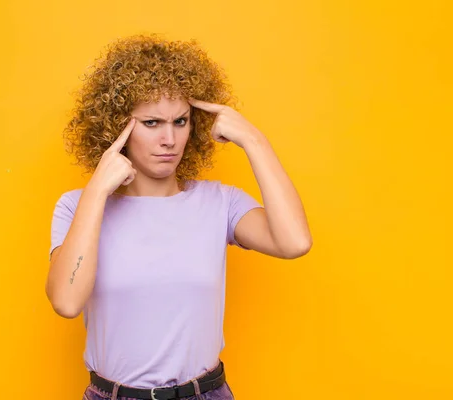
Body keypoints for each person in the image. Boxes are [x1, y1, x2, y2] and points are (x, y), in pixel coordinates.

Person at [45, 34, 312, 400]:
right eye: (151, 123)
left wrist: (254, 140)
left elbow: (294, 242)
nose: (169, 139)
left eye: (181, 121)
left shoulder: (220, 202)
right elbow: (66, 301)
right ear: (116, 126)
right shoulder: (77, 206)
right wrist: (97, 191)